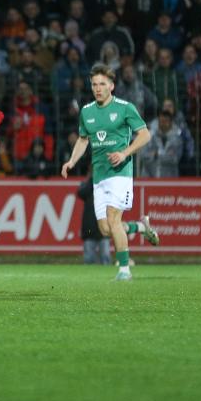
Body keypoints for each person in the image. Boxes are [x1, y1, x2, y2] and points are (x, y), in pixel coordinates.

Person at [61, 63, 160, 281]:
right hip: (100, 176)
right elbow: (83, 139)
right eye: (94, 84)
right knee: (105, 229)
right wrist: (71, 161)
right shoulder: (87, 112)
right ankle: (141, 226)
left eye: (102, 84)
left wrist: (125, 153)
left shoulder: (125, 108)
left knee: (114, 220)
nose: (97, 88)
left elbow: (145, 135)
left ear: (111, 86)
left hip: (120, 173)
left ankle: (124, 269)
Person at [77, 174, 111, 265]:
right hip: (89, 229)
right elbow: (80, 193)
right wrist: (93, 180)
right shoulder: (88, 187)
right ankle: (88, 278)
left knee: (105, 258)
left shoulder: (106, 186)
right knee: (89, 259)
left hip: (103, 229)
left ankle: (107, 276)